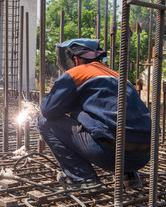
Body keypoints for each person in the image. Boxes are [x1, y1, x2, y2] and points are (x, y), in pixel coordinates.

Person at [37, 38, 151, 190]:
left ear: (75, 59)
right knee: (117, 123)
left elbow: (48, 110)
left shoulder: (77, 73)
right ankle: (130, 176)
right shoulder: (119, 76)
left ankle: (82, 177)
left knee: (44, 121)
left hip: (108, 155)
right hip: (143, 156)